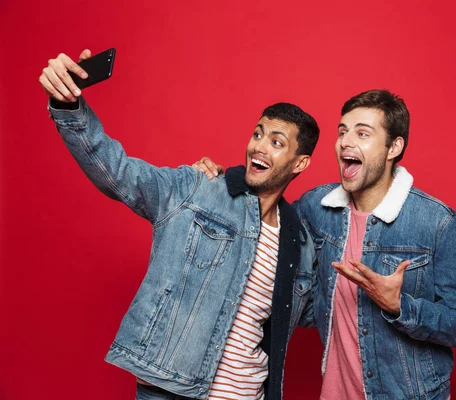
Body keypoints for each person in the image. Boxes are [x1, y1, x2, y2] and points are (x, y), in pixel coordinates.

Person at [39, 49, 320, 400]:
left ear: (300, 163)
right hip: (171, 390)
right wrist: (68, 108)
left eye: (276, 142)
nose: (258, 147)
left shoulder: (299, 243)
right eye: (258, 134)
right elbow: (119, 173)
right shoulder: (196, 188)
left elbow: (313, 313)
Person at [195, 89, 456, 400]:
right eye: (342, 131)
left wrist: (399, 306)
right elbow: (263, 216)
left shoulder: (436, 222)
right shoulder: (317, 207)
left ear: (393, 147)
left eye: (362, 133)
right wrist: (221, 182)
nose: (345, 141)